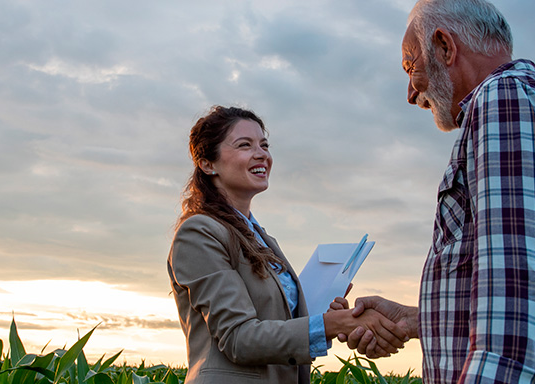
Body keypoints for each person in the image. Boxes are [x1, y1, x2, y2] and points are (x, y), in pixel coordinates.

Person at [335, 0, 535, 383]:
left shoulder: (505, 99)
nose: (411, 93)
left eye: (409, 66)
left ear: (445, 47)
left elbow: (519, 297)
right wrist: (417, 319)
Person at [167, 105, 408, 383]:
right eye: (245, 145)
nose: (262, 154)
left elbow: (279, 329)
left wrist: (324, 316)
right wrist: (333, 325)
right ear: (207, 164)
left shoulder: (263, 238)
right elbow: (238, 338)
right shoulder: (199, 232)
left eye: (264, 145)